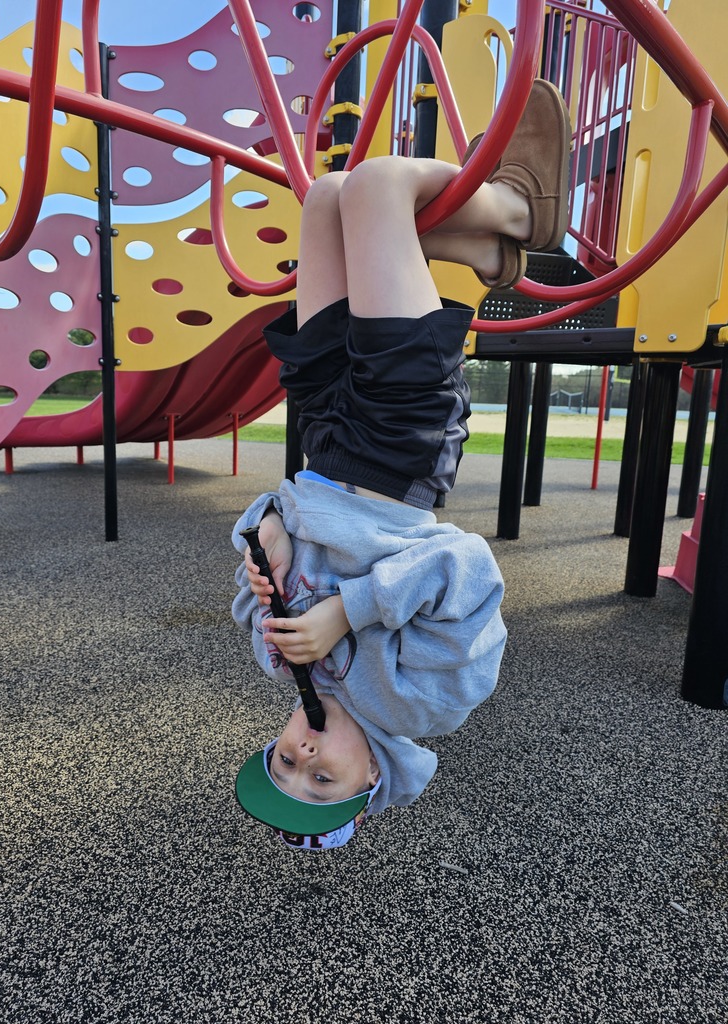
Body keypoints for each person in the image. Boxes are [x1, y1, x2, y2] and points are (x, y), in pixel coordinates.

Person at [231, 80, 571, 850]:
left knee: (327, 197)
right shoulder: (425, 706)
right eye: (323, 778)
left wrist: (268, 537)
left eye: (284, 760)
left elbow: (258, 538)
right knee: (381, 187)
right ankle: (519, 214)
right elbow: (467, 572)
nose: (304, 752)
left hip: (321, 441)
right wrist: (347, 612)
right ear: (376, 776)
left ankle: (483, 246)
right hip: (396, 452)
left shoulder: (277, 660)